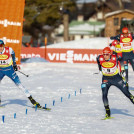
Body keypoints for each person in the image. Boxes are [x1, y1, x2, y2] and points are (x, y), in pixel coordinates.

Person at [0, 40, 46, 109]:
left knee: (20, 85)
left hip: (9, 70)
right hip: (1, 70)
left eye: (1, 46)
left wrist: (14, 64)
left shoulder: (9, 50)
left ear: (3, 45)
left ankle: (33, 102)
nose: (0, 48)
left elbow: (13, 54)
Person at [97, 47, 134, 118]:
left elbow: (122, 60)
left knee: (127, 94)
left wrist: (122, 70)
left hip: (116, 78)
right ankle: (107, 112)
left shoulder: (115, 57)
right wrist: (100, 69)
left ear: (110, 54)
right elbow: (98, 62)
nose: (105, 56)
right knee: (104, 94)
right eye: (104, 54)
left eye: (107, 54)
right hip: (106, 79)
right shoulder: (99, 58)